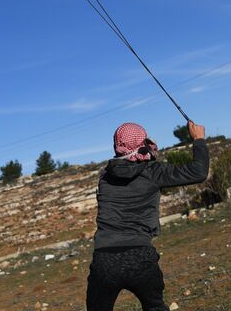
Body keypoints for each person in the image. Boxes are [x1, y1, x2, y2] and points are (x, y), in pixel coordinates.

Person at [86, 120, 210, 311]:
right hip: (141, 256)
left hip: (104, 259)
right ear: (142, 142)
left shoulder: (104, 176)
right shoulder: (153, 171)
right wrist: (199, 140)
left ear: (116, 145)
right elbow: (198, 172)